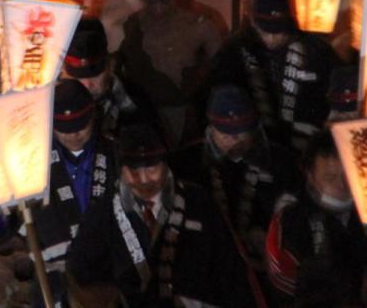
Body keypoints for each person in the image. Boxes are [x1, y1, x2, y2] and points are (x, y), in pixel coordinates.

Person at [67, 124, 251, 307]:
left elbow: (230, 272)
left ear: (165, 164)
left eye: (152, 169)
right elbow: (81, 275)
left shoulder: (198, 202)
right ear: (121, 170)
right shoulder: (102, 213)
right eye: (134, 172)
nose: (144, 180)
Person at [0, 80, 119, 307]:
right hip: (53, 283)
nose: (74, 134)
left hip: (106, 283)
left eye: (81, 126)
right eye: (64, 129)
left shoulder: (115, 154)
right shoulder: (29, 163)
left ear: (93, 117)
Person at [172, 85, 298, 274]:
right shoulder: (186, 163)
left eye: (240, 133)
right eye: (225, 134)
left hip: (269, 263)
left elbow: (294, 214)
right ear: (210, 127)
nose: (234, 140)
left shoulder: (280, 161)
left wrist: (270, 237)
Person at [205, 0, 336, 155]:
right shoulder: (236, 50)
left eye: (279, 31)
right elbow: (216, 93)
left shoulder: (315, 50)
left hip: (307, 142)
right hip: (253, 143)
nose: (272, 38)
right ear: (253, 21)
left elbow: (333, 93)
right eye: (265, 30)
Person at [118, 0, 223, 147]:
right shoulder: (130, 26)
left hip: (188, 117)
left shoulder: (200, 27)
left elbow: (222, 75)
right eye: (151, 1)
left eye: (164, 1)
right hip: (141, 116)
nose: (158, 9)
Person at [265, 130, 367, 305]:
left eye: (348, 175)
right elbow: (283, 287)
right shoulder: (290, 222)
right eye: (330, 177)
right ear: (310, 175)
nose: (342, 185)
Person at [61, 18, 144, 137]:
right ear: (63, 71)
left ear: (110, 65)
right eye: (78, 77)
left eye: (95, 75)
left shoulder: (132, 101)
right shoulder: (45, 106)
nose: (88, 85)